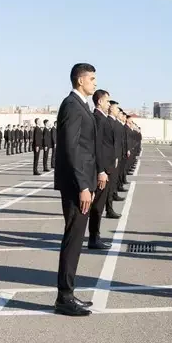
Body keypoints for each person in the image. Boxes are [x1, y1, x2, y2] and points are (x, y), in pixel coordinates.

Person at [54, 63, 100, 317]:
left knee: (75, 240)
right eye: (92, 79)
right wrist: (83, 185)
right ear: (80, 81)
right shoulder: (71, 105)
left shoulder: (81, 105)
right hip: (75, 185)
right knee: (72, 240)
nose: (94, 83)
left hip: (83, 182)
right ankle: (64, 297)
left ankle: (68, 293)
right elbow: (71, 149)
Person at [87, 89, 116, 250]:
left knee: (99, 204)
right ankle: (93, 238)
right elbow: (98, 147)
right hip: (102, 169)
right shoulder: (98, 118)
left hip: (106, 167)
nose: (108, 104)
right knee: (97, 206)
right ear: (99, 101)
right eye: (106, 101)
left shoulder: (102, 118)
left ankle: (95, 236)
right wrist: (101, 171)